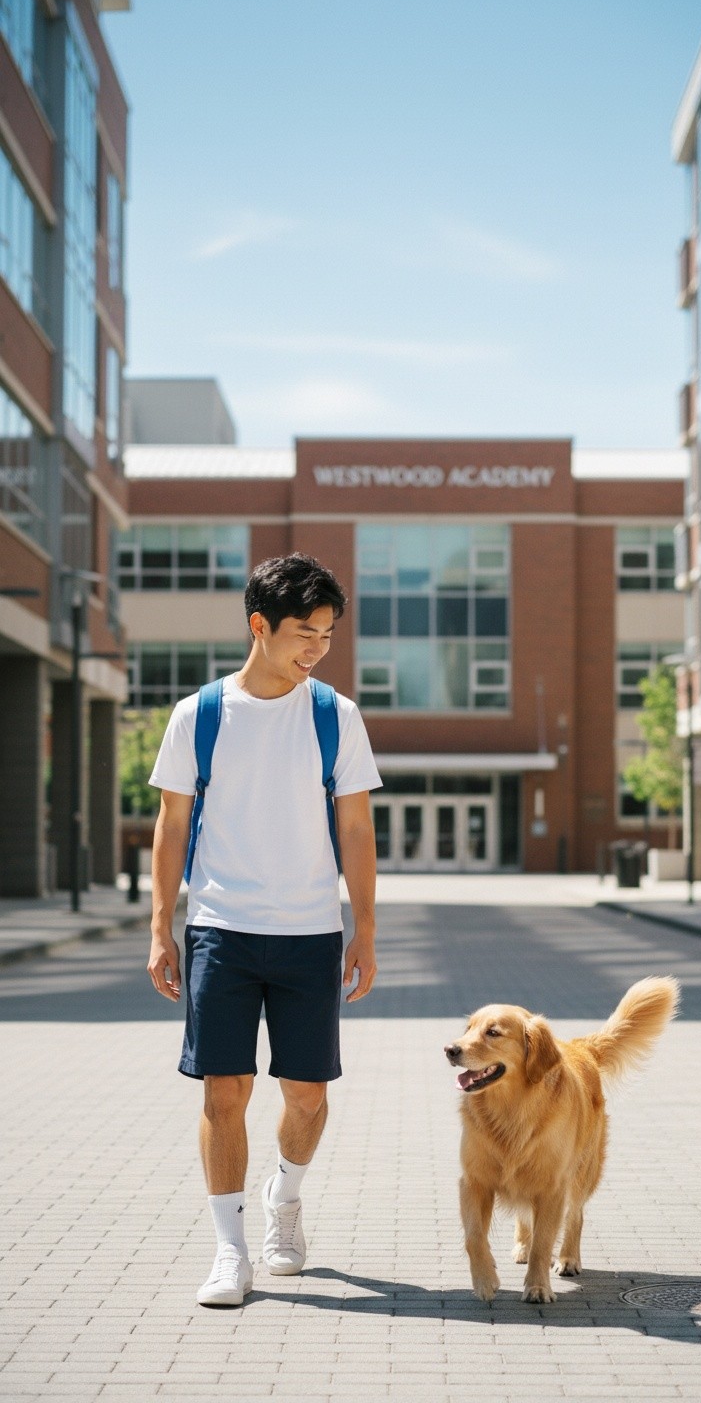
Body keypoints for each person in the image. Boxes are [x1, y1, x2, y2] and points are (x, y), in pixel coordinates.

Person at [146, 553, 381, 1306]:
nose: (317, 647)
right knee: (224, 1092)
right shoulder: (201, 714)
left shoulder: (334, 716)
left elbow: (356, 827)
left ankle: (286, 1196)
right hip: (220, 925)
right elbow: (171, 823)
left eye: (327, 634)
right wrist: (160, 926)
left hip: (311, 933)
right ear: (259, 625)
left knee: (307, 1095)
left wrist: (365, 929)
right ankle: (229, 1250)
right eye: (304, 632)